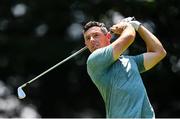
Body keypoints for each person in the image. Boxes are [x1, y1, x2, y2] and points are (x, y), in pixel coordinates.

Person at [83, 17, 166, 118]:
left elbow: (159, 52)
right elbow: (129, 37)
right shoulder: (93, 60)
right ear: (86, 45)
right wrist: (127, 26)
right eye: (88, 38)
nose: (92, 40)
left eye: (96, 35)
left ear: (108, 36)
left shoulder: (130, 61)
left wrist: (138, 26)